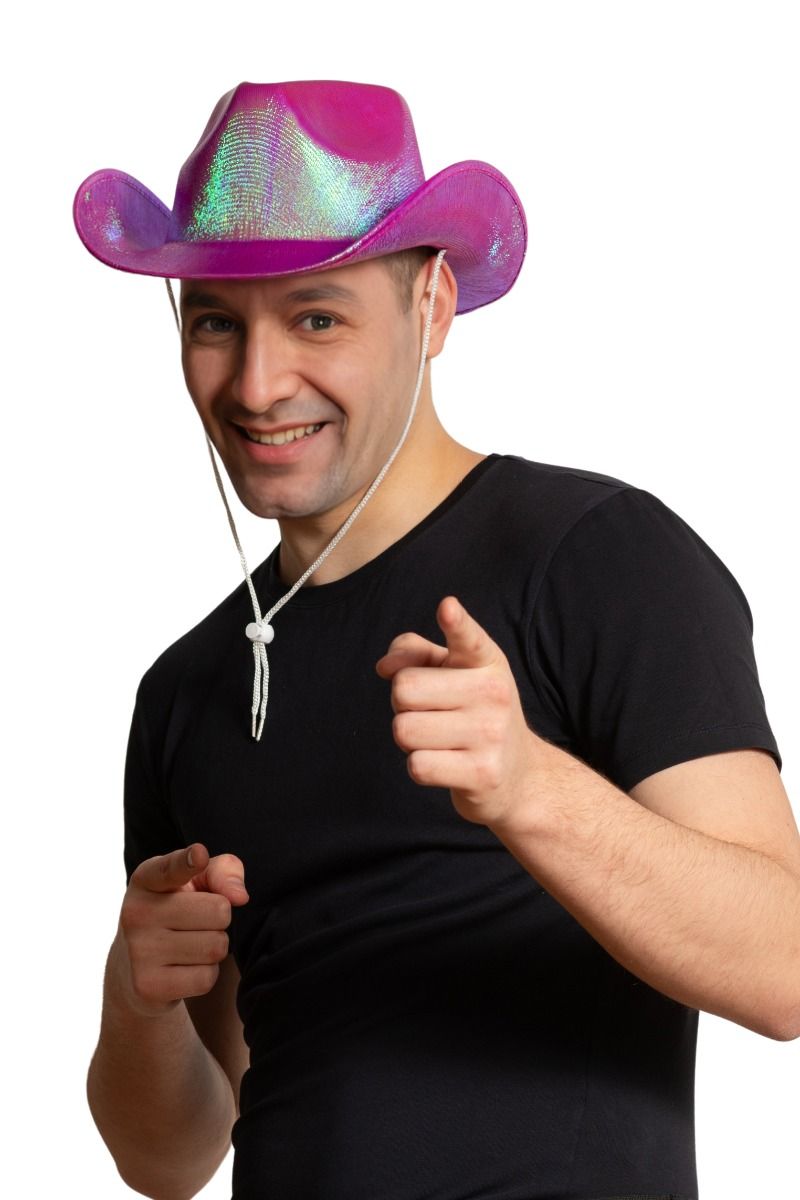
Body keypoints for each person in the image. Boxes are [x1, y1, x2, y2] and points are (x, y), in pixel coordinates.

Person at [74, 80, 800, 1200]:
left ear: (433, 307)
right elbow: (167, 1158)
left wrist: (529, 788)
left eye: (317, 318)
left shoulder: (599, 559)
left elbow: (784, 967)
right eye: (217, 322)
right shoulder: (186, 688)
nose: (258, 384)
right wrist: (139, 998)